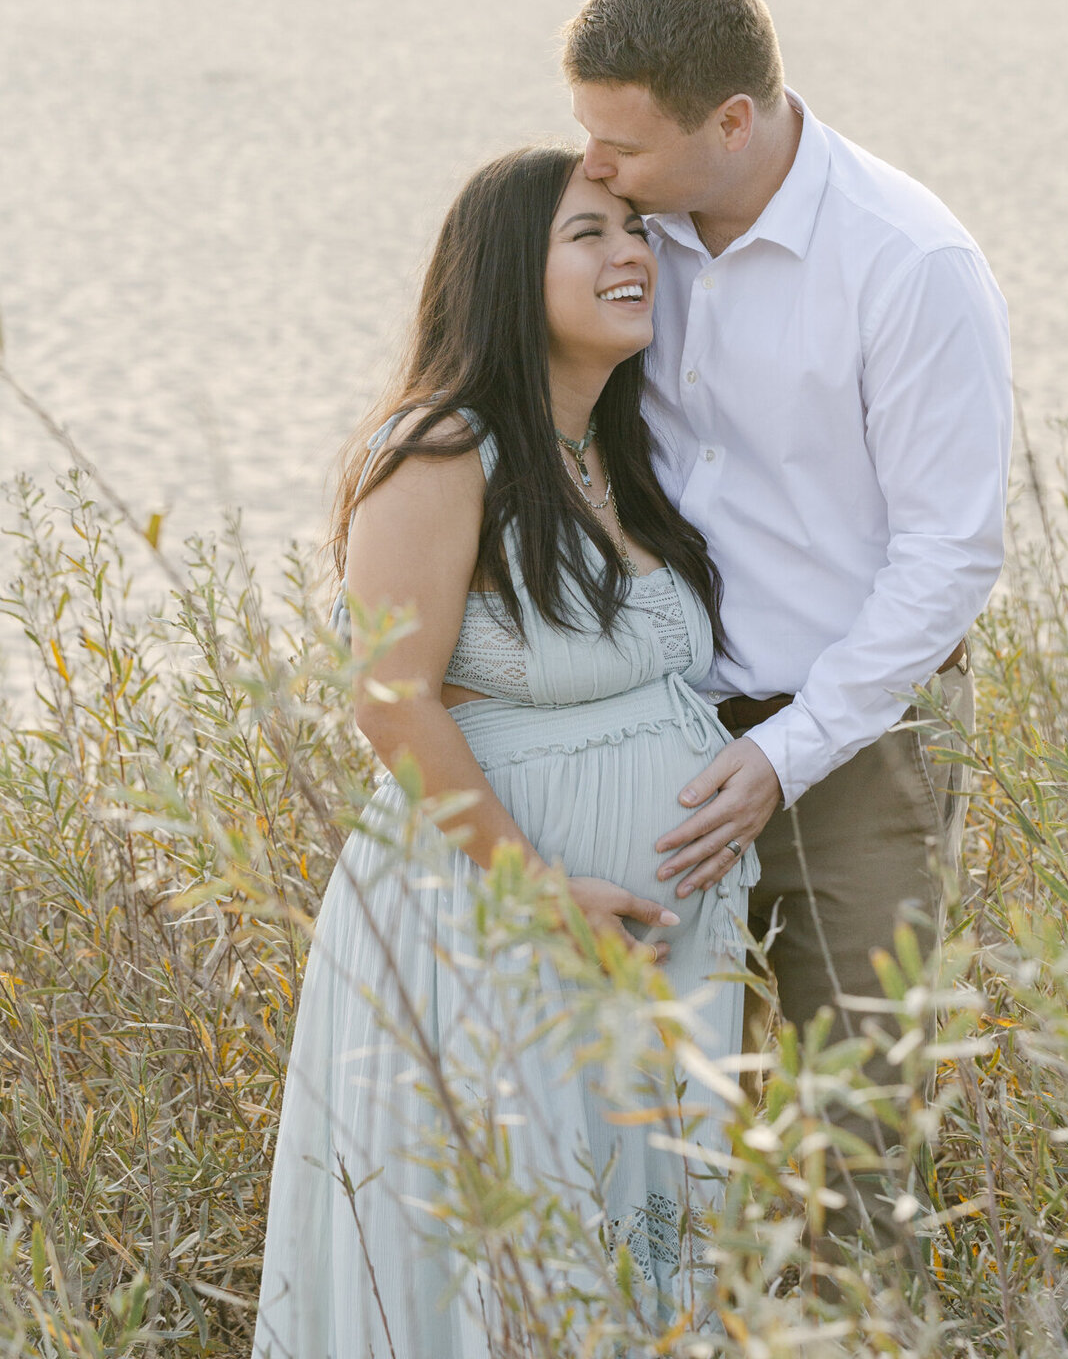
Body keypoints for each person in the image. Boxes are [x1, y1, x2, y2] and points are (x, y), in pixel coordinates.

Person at [252, 145, 759, 1359]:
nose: (632, 253)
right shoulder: (441, 447)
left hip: (649, 946)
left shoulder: (618, 456)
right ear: (498, 272)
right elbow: (389, 698)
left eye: (636, 230)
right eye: (588, 234)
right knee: (508, 1251)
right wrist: (540, 900)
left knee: (639, 1253)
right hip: (496, 920)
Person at [565, 0, 1013, 1258]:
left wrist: (785, 752)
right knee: (641, 1121)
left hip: (856, 752)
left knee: (843, 1143)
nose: (594, 167)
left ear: (734, 122)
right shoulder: (622, 232)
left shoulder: (909, 262)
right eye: (586, 135)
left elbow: (951, 552)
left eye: (622, 144)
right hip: (653, 739)